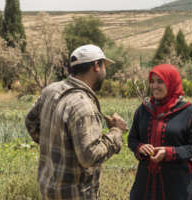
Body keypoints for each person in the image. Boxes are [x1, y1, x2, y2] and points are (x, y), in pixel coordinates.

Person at [25, 44, 127, 200]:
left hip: (48, 190)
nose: (106, 72)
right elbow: (89, 157)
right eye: (104, 66)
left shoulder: (51, 90)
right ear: (96, 66)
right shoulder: (83, 106)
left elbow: (30, 121)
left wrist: (57, 145)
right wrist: (116, 132)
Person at [128, 64, 192, 200]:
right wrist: (140, 147)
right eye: (152, 81)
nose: (155, 86)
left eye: (160, 81)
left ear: (171, 83)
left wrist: (168, 153)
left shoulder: (187, 112)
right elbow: (132, 139)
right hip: (145, 184)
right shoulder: (143, 110)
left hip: (176, 186)